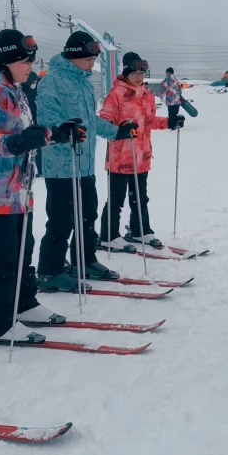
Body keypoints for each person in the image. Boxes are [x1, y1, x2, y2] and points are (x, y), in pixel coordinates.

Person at [0, 29, 74, 341]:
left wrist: (55, 134)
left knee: (23, 251)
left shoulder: (14, 90)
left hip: (18, 190)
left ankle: (24, 304)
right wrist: (16, 143)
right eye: (25, 61)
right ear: (8, 60)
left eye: (31, 61)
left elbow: (26, 134)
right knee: (2, 257)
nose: (30, 67)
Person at [36, 31, 138, 290]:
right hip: (61, 165)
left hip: (84, 164)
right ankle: (50, 271)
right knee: (61, 220)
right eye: (88, 59)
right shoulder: (52, 81)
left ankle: (85, 260)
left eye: (94, 60)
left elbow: (91, 121)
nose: (92, 64)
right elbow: (45, 115)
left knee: (87, 216)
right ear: (73, 56)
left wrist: (117, 132)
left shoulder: (84, 83)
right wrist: (61, 129)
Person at [99, 52, 180, 251]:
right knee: (116, 199)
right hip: (120, 158)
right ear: (126, 73)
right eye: (135, 73)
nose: (139, 77)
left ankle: (140, 230)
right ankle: (108, 235)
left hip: (141, 157)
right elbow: (104, 120)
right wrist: (119, 129)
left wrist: (170, 122)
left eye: (141, 74)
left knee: (140, 198)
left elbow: (150, 121)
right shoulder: (116, 94)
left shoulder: (147, 96)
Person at [21, 71, 44, 177]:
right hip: (30, 118)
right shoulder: (25, 89)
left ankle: (39, 169)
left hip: (34, 118)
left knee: (38, 145)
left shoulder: (27, 88)